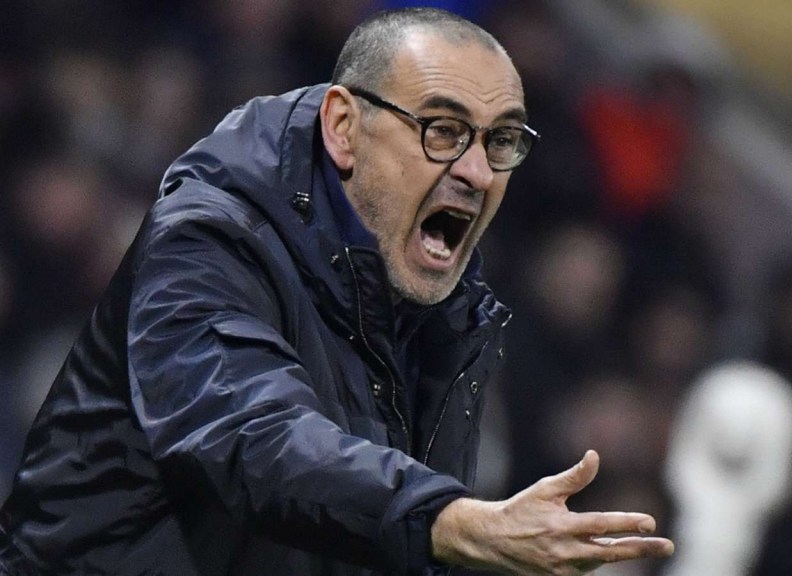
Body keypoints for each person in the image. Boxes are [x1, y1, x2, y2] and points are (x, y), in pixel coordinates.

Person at [0, 8, 674, 576]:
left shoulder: (443, 311)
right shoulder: (209, 240)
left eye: (500, 141)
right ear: (344, 127)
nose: (476, 170)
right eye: (443, 131)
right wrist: (448, 522)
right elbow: (256, 441)